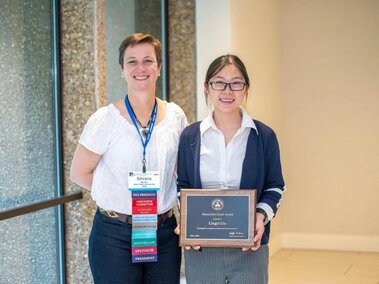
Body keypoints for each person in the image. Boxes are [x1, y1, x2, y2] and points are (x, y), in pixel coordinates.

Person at [70, 33, 187, 284]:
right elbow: (79, 173)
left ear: (159, 68)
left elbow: (180, 173)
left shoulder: (176, 117)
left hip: (164, 232)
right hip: (115, 235)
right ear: (122, 69)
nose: (140, 68)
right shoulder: (104, 120)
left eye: (148, 60)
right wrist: (121, 196)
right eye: (132, 61)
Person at [176, 54, 285, 283]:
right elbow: (182, 185)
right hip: (201, 249)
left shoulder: (264, 136)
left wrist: (260, 215)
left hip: (249, 248)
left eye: (236, 83)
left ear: (246, 89)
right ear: (207, 87)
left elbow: (275, 186)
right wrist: (187, 219)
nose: (227, 91)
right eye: (218, 82)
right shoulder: (190, 136)